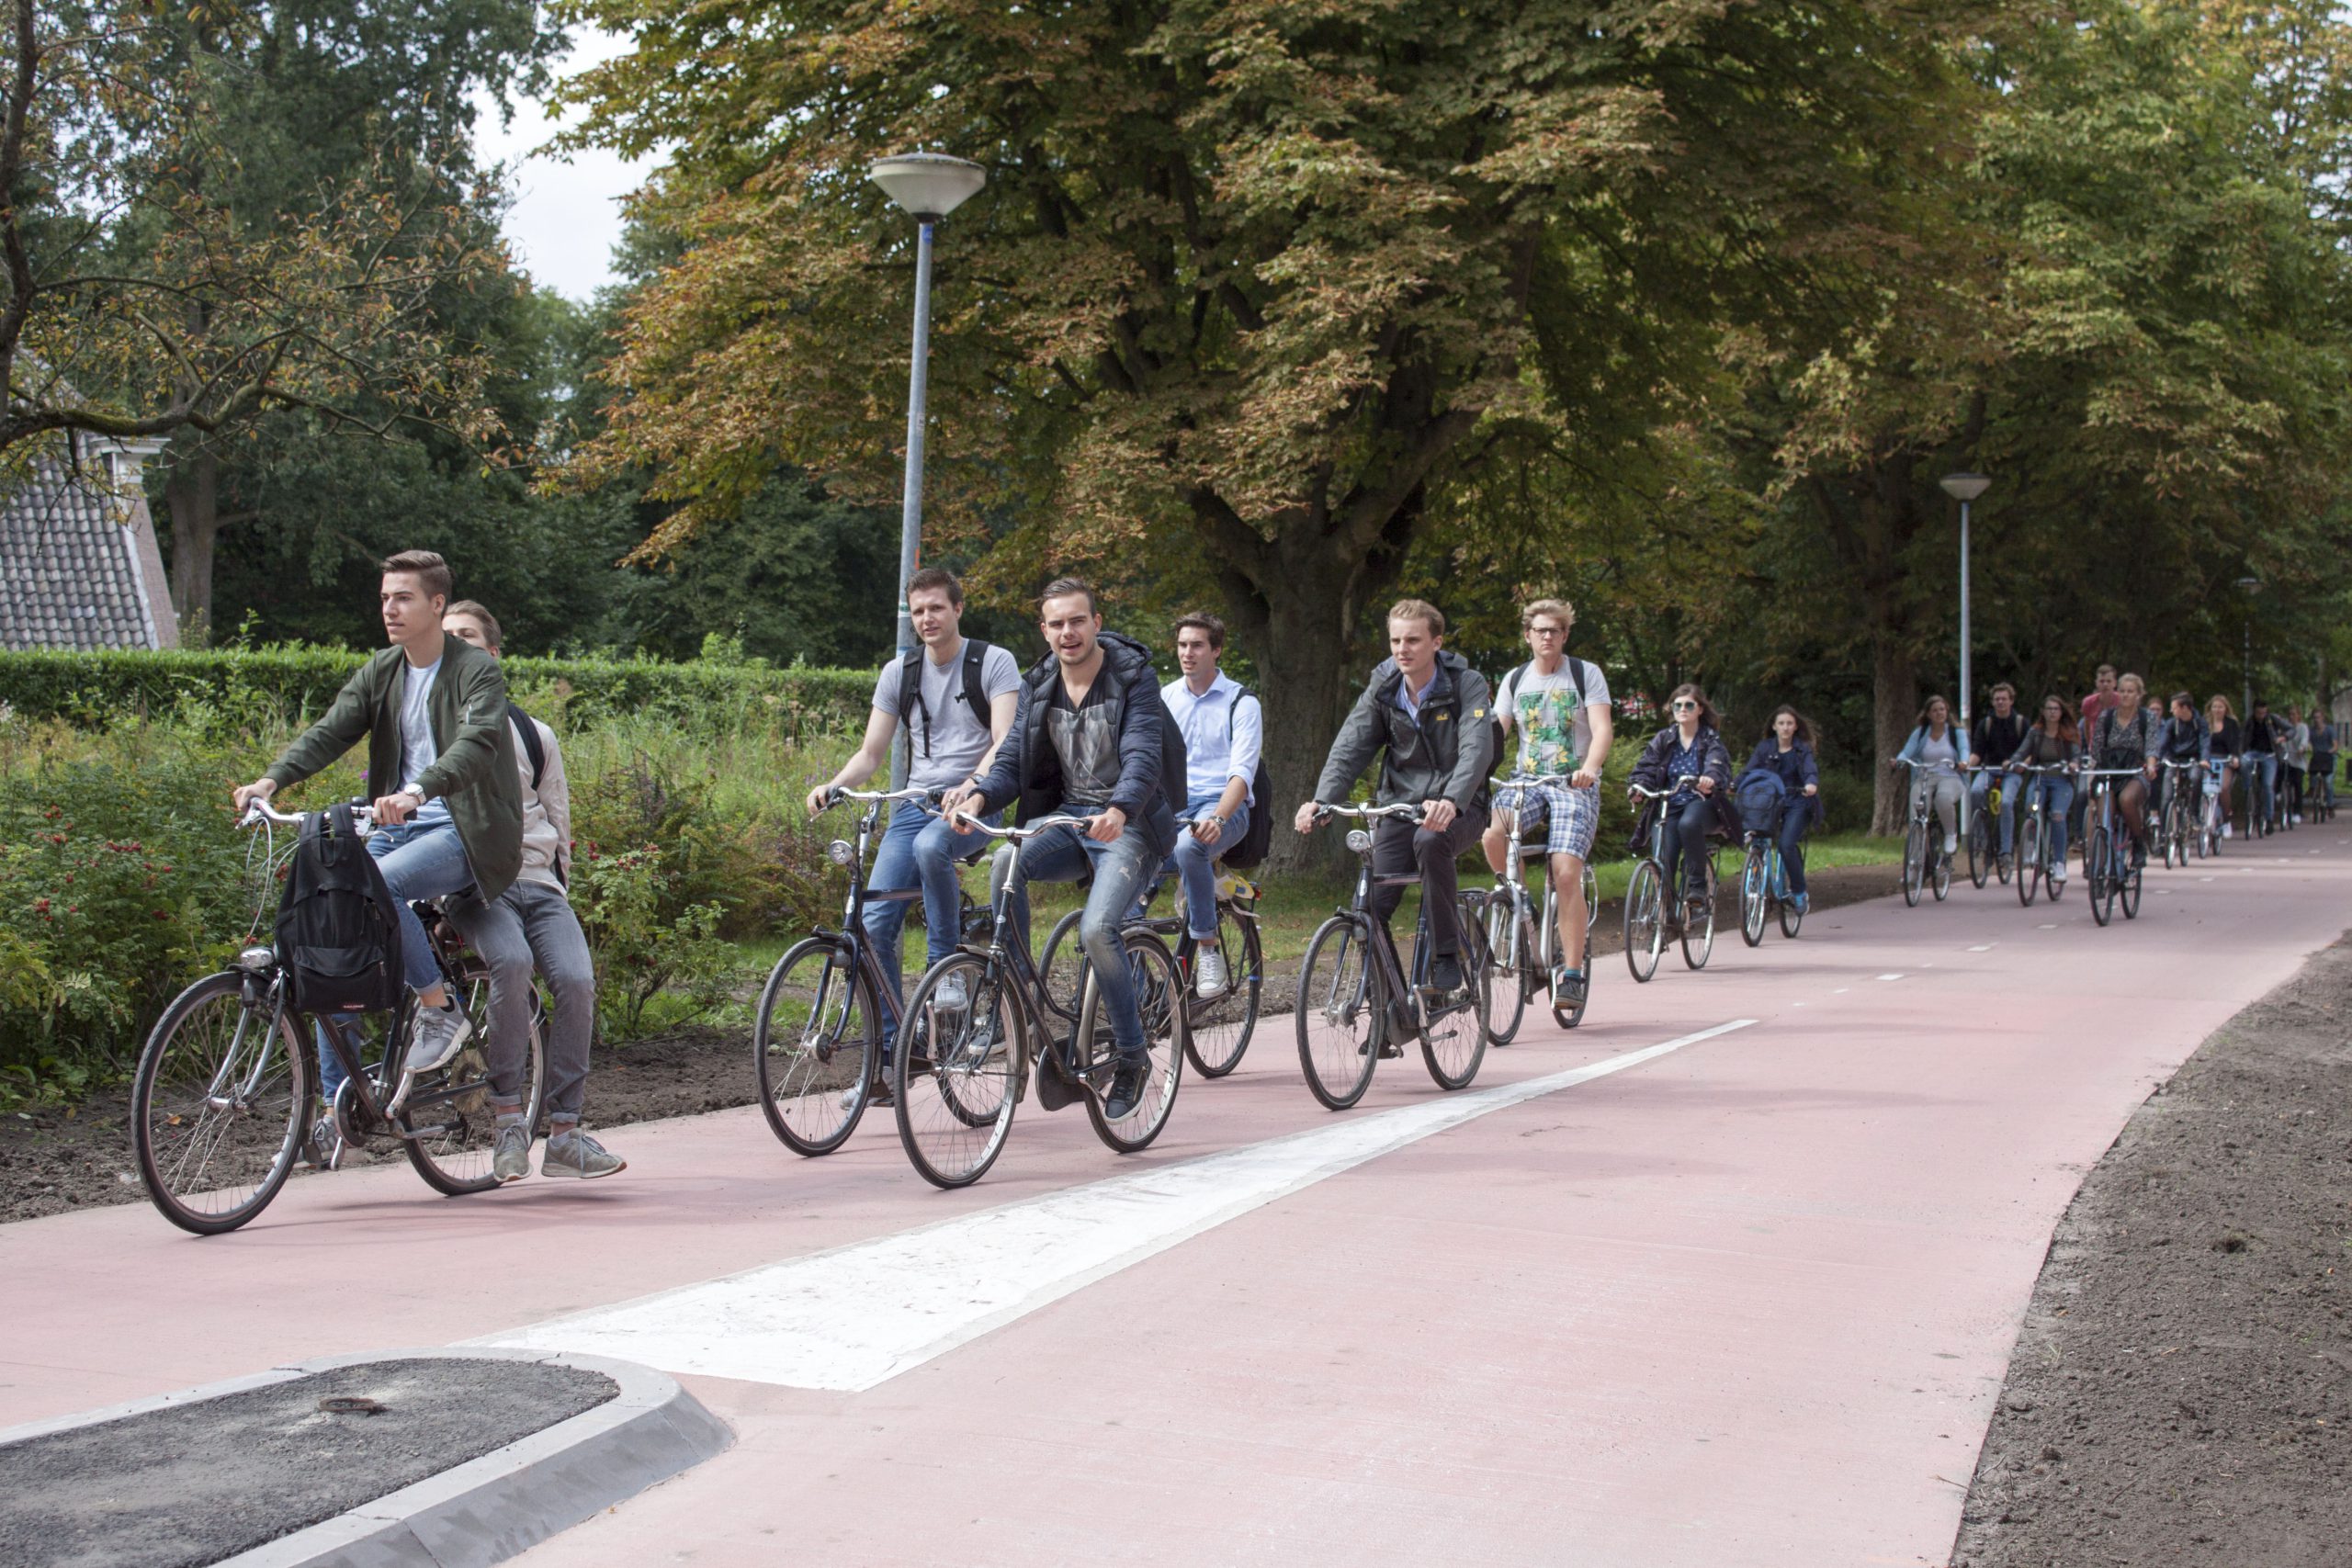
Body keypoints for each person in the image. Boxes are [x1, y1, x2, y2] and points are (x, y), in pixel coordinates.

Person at [231, 551, 522, 1152]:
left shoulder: (475, 671)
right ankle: (345, 1102)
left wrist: (418, 789)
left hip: (461, 828)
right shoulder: (384, 670)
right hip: (397, 824)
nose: (390, 608)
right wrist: (271, 780)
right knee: (331, 928)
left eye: (404, 597)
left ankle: (441, 1007)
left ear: (437, 605)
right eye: (386, 597)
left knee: (376, 887)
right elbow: (332, 729)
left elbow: (478, 742)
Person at [944, 579, 1179, 1122]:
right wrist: (979, 797)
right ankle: (1020, 996)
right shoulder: (1039, 683)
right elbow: (1012, 762)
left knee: (1098, 930)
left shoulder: (1134, 677)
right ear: (1044, 630)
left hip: (1131, 825)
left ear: (1097, 623)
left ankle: (1131, 1055)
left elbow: (1144, 754)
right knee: (1007, 860)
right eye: (1057, 623)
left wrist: (1119, 810)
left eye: (1078, 621)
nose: (1068, 632)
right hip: (1070, 818)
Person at [440, 602, 624, 1181]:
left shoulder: (532, 732)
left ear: (493, 656)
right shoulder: (426, 731)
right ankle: (507, 1124)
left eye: (468, 638)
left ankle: (566, 1133)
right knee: (512, 965)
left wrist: (559, 888)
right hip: (477, 891)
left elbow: (558, 816)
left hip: (540, 887)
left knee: (575, 980)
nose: (457, 649)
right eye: (447, 640)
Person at [807, 567, 1019, 1051]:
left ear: (958, 609)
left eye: (937, 608)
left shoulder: (993, 662)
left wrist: (971, 785)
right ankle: (896, 1048)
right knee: (874, 924)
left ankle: (944, 972)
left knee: (931, 847)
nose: (927, 618)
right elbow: (871, 753)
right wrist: (834, 786)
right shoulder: (898, 672)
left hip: (979, 803)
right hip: (915, 804)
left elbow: (1005, 742)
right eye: (918, 611)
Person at [1297, 598, 1496, 1002]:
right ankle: (1389, 1007)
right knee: (1369, 907)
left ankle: (1446, 955)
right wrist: (1322, 801)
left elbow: (1477, 750)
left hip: (1462, 805)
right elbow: (1351, 745)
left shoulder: (1465, 683)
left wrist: (1453, 801)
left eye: (1413, 640)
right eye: (1395, 641)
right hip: (1400, 805)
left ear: (1436, 642)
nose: (1402, 649)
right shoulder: (1384, 685)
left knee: (1431, 841)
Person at [1478, 599, 1612, 1010]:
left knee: (1566, 872)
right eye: (1540, 630)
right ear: (1528, 635)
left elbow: (1602, 728)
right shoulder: (1516, 679)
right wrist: (1475, 770)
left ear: (1565, 635)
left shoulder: (1585, 674)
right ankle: (1518, 897)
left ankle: (1571, 974)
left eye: (1555, 630)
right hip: (1527, 781)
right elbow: (1496, 734)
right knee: (1492, 833)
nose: (1547, 637)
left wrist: (1589, 767)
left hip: (1573, 785)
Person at [1159, 612, 1261, 1000]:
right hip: (1175, 807)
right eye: (1183, 645)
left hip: (1225, 807)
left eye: (1197, 645)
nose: (1188, 653)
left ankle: (1208, 950)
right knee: (1122, 857)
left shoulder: (1242, 702)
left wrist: (1218, 816)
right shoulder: (1165, 698)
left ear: (1216, 650)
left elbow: (1242, 771)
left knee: (1190, 847)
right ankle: (1134, 967)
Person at [1627, 684, 1738, 931]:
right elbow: (1646, 767)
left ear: (1700, 709)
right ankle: (1667, 916)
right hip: (1669, 803)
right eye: (1678, 705)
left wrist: (1710, 778)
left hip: (1701, 803)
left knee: (1690, 824)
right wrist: (1637, 788)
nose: (1683, 709)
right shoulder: (1664, 738)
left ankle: (1697, 886)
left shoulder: (1710, 739)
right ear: (1672, 709)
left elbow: (1717, 764)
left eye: (1689, 705)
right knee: (1662, 856)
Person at [1743, 705, 1822, 914]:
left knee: (1786, 844)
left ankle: (1799, 892)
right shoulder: (1764, 748)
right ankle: (1758, 876)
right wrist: (1735, 784)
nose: (1785, 728)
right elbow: (1749, 770)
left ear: (1795, 727)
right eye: (1781, 723)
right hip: (1770, 803)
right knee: (1756, 836)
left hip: (1797, 801)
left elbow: (1810, 770)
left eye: (1789, 723)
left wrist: (1811, 784)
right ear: (1774, 726)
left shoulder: (1802, 749)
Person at [2007, 696, 2081, 891]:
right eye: (2048, 709)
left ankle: (2058, 862)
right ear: (2043, 711)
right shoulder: (2036, 732)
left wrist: (2074, 764)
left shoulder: (2068, 733)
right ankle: (2030, 844)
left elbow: (2076, 755)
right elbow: (2022, 752)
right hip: (2040, 778)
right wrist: (2013, 761)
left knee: (2057, 816)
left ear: (2061, 712)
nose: (2052, 712)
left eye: (2056, 709)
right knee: (2031, 806)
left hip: (2062, 780)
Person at [2088, 671, 2160, 863]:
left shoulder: (2148, 717)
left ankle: (2138, 844)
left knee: (2127, 800)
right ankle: (2101, 855)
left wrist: (2150, 767)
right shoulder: (2107, 717)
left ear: (2139, 694)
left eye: (2131, 691)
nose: (2126, 695)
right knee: (2104, 812)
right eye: (2123, 691)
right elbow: (2096, 748)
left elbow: (2152, 747)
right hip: (2110, 772)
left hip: (2134, 772)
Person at [1894, 694, 1971, 858]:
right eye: (1934, 710)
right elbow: (1908, 751)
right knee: (1916, 817)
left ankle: (1950, 834)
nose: (1939, 713)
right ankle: (1914, 866)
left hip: (1950, 777)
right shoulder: (1920, 733)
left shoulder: (1957, 732)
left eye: (1942, 709)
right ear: (1928, 714)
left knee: (1942, 798)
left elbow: (1964, 749)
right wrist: (1899, 761)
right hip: (1925, 777)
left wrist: (1963, 762)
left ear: (1947, 711)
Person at [1969, 682, 2029, 868]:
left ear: (2011, 700)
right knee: (1975, 792)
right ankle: (1981, 838)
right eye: (1997, 699)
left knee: (2006, 803)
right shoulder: (1985, 724)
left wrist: (2022, 765)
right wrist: (1967, 765)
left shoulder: (2020, 723)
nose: (2000, 702)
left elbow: (2030, 750)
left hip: (2012, 773)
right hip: (1989, 769)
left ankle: (2006, 851)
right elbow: (1977, 752)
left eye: (2004, 699)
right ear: (1993, 702)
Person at [2154, 691, 2208, 829]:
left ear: (2184, 708)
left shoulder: (2200, 723)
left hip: (2193, 760)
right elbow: (2163, 743)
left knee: (2196, 778)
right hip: (2174, 760)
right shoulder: (2172, 723)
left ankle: (2195, 814)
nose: (2171, 711)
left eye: (2174, 708)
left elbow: (2205, 741)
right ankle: (2162, 835)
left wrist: (2204, 759)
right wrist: (2156, 759)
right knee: (2166, 796)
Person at [2203, 695, 2243, 839]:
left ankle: (2226, 821)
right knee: (2202, 787)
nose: (2217, 710)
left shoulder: (2231, 724)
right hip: (2208, 760)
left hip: (2225, 760)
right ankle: (2203, 818)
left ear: (2226, 709)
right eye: (2215, 707)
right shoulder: (2205, 723)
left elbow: (2235, 744)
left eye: (2220, 707)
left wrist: (2234, 757)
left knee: (2223, 787)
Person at [2245, 697, 2281, 829]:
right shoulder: (2249, 722)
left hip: (2269, 755)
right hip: (2252, 753)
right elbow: (2241, 738)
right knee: (2244, 762)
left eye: (2263, 713)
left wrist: (2283, 737)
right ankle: (2247, 789)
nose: (2261, 716)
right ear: (2254, 711)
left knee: (2267, 785)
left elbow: (2290, 730)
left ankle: (2269, 818)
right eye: (2259, 713)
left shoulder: (2272, 720)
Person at [2281, 704, 2311, 824]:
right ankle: (2279, 794)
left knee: (2298, 784)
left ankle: (2297, 812)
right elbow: (2281, 740)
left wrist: (2302, 748)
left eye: (2294, 714)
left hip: (2298, 761)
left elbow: (2304, 739)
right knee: (2280, 775)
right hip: (2287, 759)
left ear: (2299, 716)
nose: (2291, 716)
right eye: (2290, 714)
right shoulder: (2285, 727)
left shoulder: (2302, 727)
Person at [2310, 704, 2336, 815]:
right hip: (2317, 757)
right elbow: (2308, 742)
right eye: (2314, 717)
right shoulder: (2311, 731)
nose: (2316, 720)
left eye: (2318, 717)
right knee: (2313, 778)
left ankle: (2330, 805)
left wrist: (2331, 750)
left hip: (2328, 757)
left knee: (2328, 782)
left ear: (2322, 717)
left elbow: (2335, 744)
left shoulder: (2329, 730)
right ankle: (2315, 798)